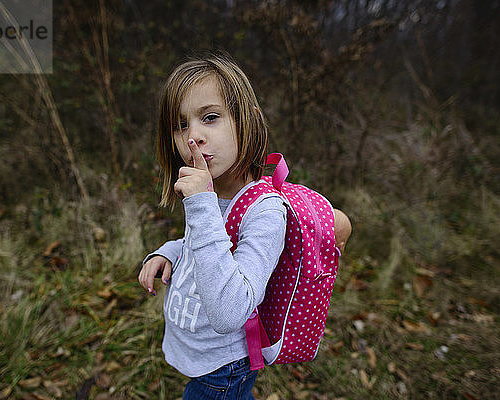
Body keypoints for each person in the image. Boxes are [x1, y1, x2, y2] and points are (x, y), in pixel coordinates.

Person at [138, 53, 350, 399]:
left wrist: (202, 204)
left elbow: (230, 311)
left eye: (210, 117)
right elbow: (200, 246)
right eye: (180, 125)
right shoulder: (212, 195)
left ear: (245, 121)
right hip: (203, 359)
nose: (194, 136)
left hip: (222, 368)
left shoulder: (264, 212)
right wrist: (167, 254)